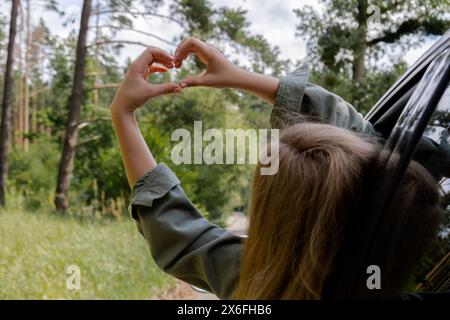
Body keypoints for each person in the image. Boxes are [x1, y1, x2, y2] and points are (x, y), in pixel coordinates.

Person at [110, 38, 442, 299]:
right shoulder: (404, 220)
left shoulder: (263, 281)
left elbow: (179, 233)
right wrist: (241, 77)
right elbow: (397, 171)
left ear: (275, 231)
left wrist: (123, 113)